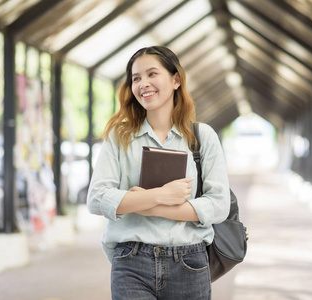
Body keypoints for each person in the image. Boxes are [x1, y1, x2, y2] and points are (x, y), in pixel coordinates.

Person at [87, 46, 230, 300]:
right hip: (131, 262)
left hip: (189, 263)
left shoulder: (202, 137)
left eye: (152, 74)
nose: (144, 84)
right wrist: (163, 194)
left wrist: (146, 205)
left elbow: (218, 206)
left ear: (176, 80)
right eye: (136, 78)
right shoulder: (120, 137)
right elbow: (97, 198)